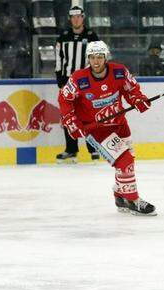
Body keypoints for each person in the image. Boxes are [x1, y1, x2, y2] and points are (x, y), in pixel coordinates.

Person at [58, 41, 156, 216]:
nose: (96, 61)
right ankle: (133, 201)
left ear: (106, 57)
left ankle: (120, 196)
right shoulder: (79, 78)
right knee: (125, 162)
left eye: (100, 57)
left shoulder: (119, 71)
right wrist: (71, 120)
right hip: (97, 130)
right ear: (88, 58)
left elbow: (131, 90)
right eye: (92, 57)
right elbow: (65, 99)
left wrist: (138, 100)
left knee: (127, 164)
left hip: (119, 125)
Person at [54, 5, 100, 164]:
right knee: (68, 116)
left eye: (78, 16)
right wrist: (60, 80)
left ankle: (93, 149)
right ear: (69, 19)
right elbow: (59, 59)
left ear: (83, 17)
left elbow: (98, 58)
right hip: (67, 81)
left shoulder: (92, 36)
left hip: (86, 82)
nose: (76, 19)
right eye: (73, 17)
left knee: (88, 116)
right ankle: (71, 149)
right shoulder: (63, 36)